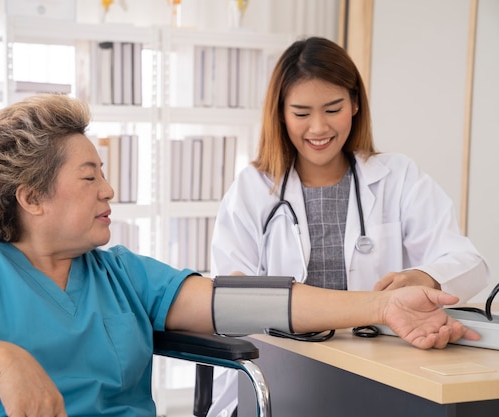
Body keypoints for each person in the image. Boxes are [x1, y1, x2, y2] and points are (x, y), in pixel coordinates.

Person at [0, 94, 480, 417]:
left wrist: (382, 303)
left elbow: (244, 300)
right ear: (31, 196)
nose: (109, 190)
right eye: (89, 178)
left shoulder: (119, 272)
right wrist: (5, 360)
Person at [207, 36, 491, 416]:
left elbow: (470, 263)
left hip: (379, 370)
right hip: (280, 371)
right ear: (280, 113)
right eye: (301, 112)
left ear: (355, 104)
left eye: (333, 108)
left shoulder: (397, 176)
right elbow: (228, 300)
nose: (318, 127)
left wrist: (425, 276)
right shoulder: (254, 188)